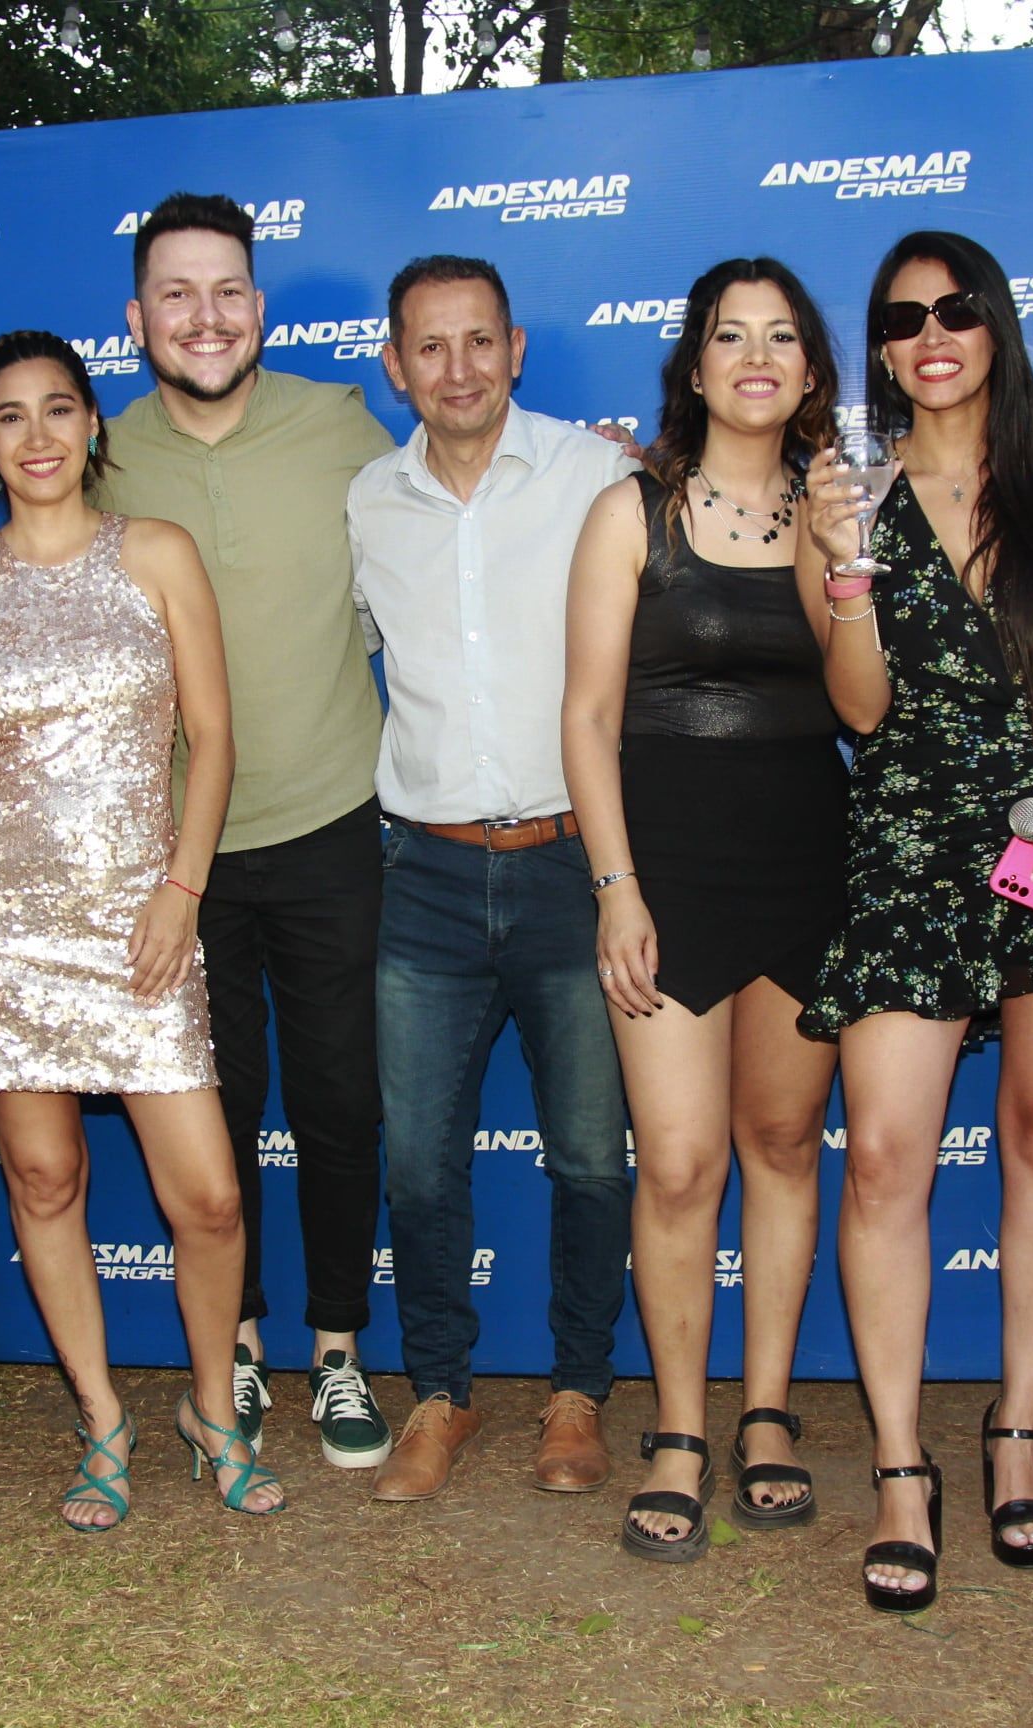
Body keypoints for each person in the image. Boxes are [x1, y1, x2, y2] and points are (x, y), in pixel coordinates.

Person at [797, 231, 1033, 1615]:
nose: (930, 335)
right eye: (902, 318)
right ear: (881, 346)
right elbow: (860, 711)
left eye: (955, 311)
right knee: (886, 1159)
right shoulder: (838, 493)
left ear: (995, 328)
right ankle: (900, 1463)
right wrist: (842, 567)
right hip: (902, 845)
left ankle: (1015, 1432)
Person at [0, 329, 276, 1526]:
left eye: (59, 409)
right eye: (10, 416)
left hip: (142, 915)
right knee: (45, 1174)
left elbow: (210, 737)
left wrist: (181, 889)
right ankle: (103, 1420)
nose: (39, 436)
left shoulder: (157, 553)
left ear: (94, 424)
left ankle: (213, 1409)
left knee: (210, 1197)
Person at [93, 192, 399, 1469]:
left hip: (331, 819)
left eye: (227, 292)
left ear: (259, 309)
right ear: (138, 319)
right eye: (177, 294)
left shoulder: (339, 423)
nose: (204, 317)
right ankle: (239, 1348)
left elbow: (441, 526)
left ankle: (335, 1352)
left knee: (337, 1103)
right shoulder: (100, 457)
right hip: (178, 856)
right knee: (214, 1113)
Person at [561, 257, 846, 1565]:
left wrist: (849, 562)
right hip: (665, 875)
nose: (755, 354)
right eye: (730, 334)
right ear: (692, 365)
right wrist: (616, 886)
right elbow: (585, 715)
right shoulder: (631, 512)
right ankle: (679, 1428)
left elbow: (868, 707)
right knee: (680, 1164)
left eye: (781, 335)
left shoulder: (845, 508)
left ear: (809, 367)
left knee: (784, 1146)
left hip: (806, 864)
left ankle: (769, 1411)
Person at [348, 255, 638, 1502]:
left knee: (587, 1155)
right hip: (422, 872)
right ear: (394, 362)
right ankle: (440, 1397)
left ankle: (578, 1394)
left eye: (479, 342)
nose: (457, 368)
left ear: (516, 347)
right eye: (430, 346)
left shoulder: (603, 475)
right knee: (418, 1161)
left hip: (577, 864)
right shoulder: (365, 502)